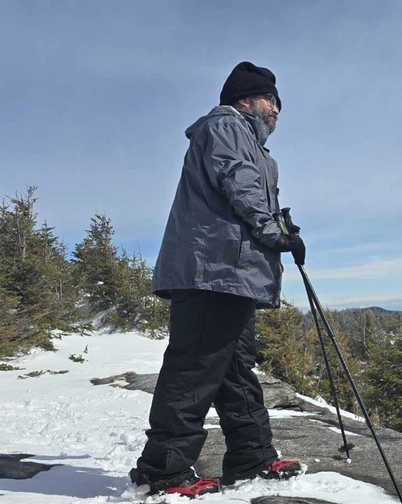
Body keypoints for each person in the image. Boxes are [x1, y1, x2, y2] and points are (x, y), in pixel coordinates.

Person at [129, 61, 307, 498]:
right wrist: (273, 231)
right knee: (194, 368)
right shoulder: (226, 127)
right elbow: (238, 181)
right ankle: (163, 470)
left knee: (233, 369)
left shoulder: (255, 146)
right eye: (271, 100)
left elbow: (247, 188)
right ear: (245, 99)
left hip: (233, 273)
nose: (277, 110)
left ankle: (251, 455)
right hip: (212, 270)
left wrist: (278, 227)